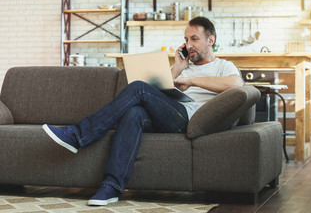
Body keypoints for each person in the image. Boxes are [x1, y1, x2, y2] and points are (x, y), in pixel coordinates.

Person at [42, 16, 244, 206]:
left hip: (189, 118)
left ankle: (78, 134)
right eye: (186, 40)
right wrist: (178, 68)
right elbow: (156, 94)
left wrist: (191, 81)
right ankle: (111, 187)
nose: (189, 45)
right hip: (168, 115)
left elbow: (236, 84)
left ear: (211, 40)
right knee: (134, 113)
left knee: (139, 87)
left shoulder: (223, 66)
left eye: (194, 39)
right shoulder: (182, 67)